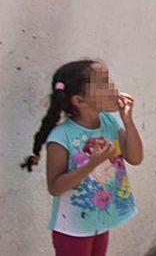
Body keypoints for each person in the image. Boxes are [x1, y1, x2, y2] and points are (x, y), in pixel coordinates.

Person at [21, 60, 144, 256]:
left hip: (100, 220)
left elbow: (135, 158)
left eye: (109, 81)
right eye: (103, 84)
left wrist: (128, 120)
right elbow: (55, 187)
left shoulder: (109, 122)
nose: (113, 88)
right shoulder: (62, 137)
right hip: (72, 229)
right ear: (79, 101)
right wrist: (92, 164)